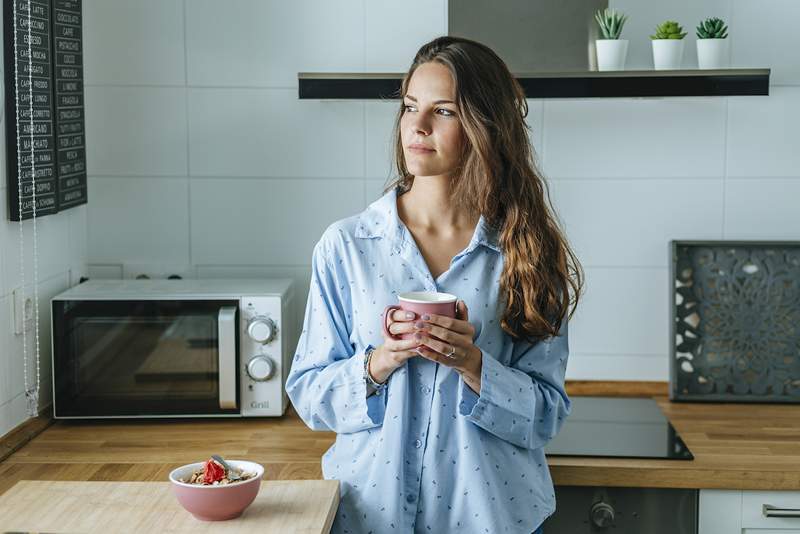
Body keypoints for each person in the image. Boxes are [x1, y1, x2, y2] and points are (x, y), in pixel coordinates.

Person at [286, 35, 584, 534]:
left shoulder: (526, 252)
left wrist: (474, 365)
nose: (417, 127)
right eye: (409, 107)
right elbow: (310, 395)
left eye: (443, 111)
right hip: (368, 518)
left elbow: (547, 414)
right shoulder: (347, 247)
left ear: (483, 126)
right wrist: (379, 363)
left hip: (492, 518)